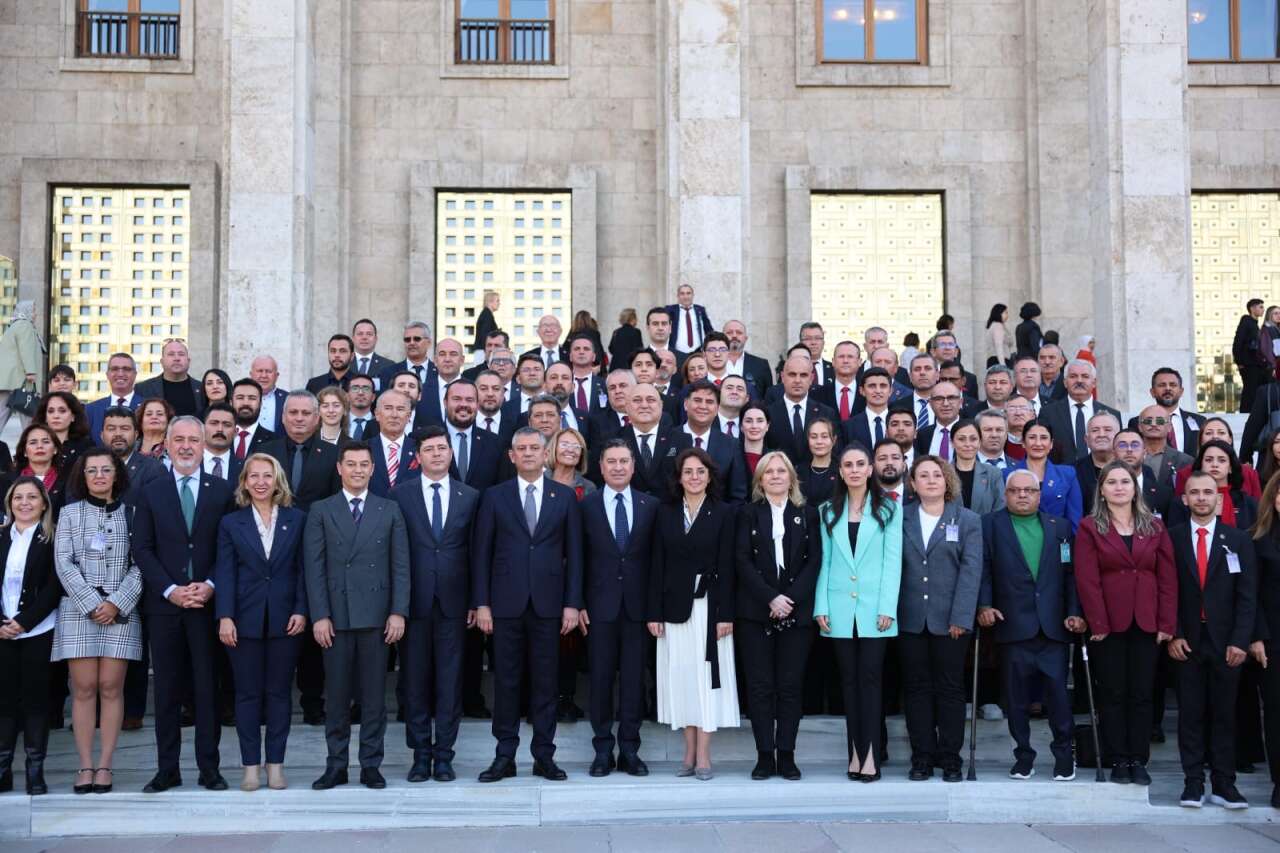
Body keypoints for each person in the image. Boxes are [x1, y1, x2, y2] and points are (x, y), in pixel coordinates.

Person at [472, 427, 583, 783]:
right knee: (506, 683)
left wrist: (572, 604)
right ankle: (504, 756)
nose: (529, 453)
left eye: (535, 447)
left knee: (546, 683)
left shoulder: (563, 496)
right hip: (505, 605)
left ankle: (544, 756)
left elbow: (575, 555)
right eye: (522, 448)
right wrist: (482, 604)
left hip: (549, 605)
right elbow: (481, 553)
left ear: (545, 453)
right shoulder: (494, 496)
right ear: (512, 456)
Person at [133, 416, 237, 794]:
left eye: (194, 439)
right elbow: (142, 548)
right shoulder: (151, 490)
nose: (187, 446)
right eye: (179, 439)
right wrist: (169, 590)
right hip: (165, 608)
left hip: (207, 607)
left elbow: (229, 548)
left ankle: (209, 768)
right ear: (167, 444)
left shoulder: (222, 490)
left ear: (204, 444)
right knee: (167, 691)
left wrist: (209, 585)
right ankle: (168, 769)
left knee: (207, 689)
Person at [304, 441, 410, 790]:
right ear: (339, 468)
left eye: (364, 464)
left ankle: (370, 765)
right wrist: (320, 615)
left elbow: (401, 566)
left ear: (373, 468)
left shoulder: (389, 509)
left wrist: (398, 612)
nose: (358, 470)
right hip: (335, 617)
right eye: (351, 464)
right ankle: (336, 765)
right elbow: (314, 568)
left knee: (374, 698)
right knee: (336, 697)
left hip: (377, 617)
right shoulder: (321, 510)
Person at [978, 468, 1086, 782]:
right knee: (1016, 700)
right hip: (1012, 624)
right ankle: (1023, 757)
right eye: (1015, 491)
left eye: (1029, 490)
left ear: (1039, 495)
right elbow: (984, 569)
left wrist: (1075, 611)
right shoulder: (990, 525)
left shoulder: (1059, 527)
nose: (1022, 495)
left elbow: (1070, 574)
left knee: (1059, 697)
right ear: (1006, 494)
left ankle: (1064, 757)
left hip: (1054, 627)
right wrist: (984, 605)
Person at [1073, 461, 1177, 785]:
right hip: (1108, 625)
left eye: (1125, 482)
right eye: (1112, 482)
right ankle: (1118, 758)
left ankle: (1138, 759)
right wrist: (1098, 623)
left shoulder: (1154, 526)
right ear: (1102, 491)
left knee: (1143, 695)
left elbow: (1167, 578)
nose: (1119, 487)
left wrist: (1166, 623)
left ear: (1135, 488)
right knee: (1113, 694)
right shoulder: (1090, 527)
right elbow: (1087, 579)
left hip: (1147, 622)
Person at [389, 425, 479, 784]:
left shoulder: (470, 496)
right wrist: (396, 605)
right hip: (414, 603)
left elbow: (476, 552)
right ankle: (420, 755)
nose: (437, 454)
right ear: (418, 457)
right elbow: (395, 552)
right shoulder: (400, 495)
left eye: (442, 448)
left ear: (450, 453)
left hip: (455, 604)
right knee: (414, 682)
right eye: (429, 449)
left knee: (449, 682)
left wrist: (477, 601)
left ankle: (444, 756)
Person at [53, 450, 145, 795]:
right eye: (92, 470)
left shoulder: (133, 514)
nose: (99, 475)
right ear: (83, 476)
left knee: (110, 686)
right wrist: (92, 604)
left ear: (117, 475)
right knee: (84, 688)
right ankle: (84, 764)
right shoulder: (69, 513)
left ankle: (105, 764)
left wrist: (116, 602)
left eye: (106, 469)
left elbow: (141, 562)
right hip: (79, 610)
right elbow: (64, 563)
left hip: (120, 610)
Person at [214, 454, 307, 792]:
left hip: (286, 620)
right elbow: (225, 572)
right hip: (243, 620)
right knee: (248, 695)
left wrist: (301, 609)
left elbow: (303, 569)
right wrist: (225, 616)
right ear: (244, 482)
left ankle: (276, 765)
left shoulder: (297, 519)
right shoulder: (231, 523)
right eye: (253, 476)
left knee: (279, 694)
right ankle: (251, 766)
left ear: (277, 480)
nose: (261, 482)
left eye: (267, 475)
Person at [648, 446, 738, 780]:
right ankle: (687, 752)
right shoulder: (665, 512)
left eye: (701, 471)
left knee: (706, 680)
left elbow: (728, 566)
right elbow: (656, 564)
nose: (695, 477)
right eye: (688, 471)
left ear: (710, 476)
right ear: (679, 477)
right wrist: (653, 612)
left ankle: (704, 755)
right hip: (673, 607)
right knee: (682, 679)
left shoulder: (724, 512)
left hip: (711, 608)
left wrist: (726, 614)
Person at [1169, 470, 1257, 810]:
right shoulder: (1172, 538)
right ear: (1185, 499)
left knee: (1225, 714)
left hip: (1227, 644)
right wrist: (1175, 633)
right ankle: (1192, 783)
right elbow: (1167, 590)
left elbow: (1247, 596)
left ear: (1219, 500)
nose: (1202, 498)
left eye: (1208, 492)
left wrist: (1240, 640)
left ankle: (1224, 784)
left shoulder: (1238, 540)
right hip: (1187, 642)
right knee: (1190, 715)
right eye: (1195, 492)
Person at [814, 442, 901, 782]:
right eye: (848, 465)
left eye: (860, 464)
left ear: (870, 469)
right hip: (838, 609)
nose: (854, 470)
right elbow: (825, 561)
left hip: (875, 610)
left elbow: (892, 563)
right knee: (848, 683)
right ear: (840, 471)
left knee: (871, 681)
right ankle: (854, 753)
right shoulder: (827, 511)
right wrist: (821, 605)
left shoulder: (889, 509)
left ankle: (872, 757)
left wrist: (887, 607)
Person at [735, 451, 820, 781]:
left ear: (791, 478)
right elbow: (742, 560)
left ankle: (786, 755)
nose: (775, 476)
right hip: (756, 611)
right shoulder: (747, 514)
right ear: (760, 479)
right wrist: (770, 597)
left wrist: (790, 599)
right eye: (768, 472)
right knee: (760, 687)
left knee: (789, 686)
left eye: (781, 471)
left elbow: (814, 561)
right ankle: (763, 756)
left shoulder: (807, 514)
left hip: (796, 613)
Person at [898, 456, 982, 782]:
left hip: (951, 621)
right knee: (916, 689)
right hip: (910, 618)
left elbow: (971, 571)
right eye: (923, 475)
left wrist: (961, 616)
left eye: (937, 474)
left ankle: (950, 759)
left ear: (948, 481)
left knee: (950, 689)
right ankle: (921, 757)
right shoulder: (900, 518)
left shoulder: (967, 520)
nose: (931, 480)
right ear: (913, 483)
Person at [580, 439, 658, 777]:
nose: (617, 467)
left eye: (624, 461)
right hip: (599, 608)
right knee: (599, 680)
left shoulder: (650, 506)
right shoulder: (586, 505)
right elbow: (577, 557)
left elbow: (657, 562)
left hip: (638, 609)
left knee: (633, 681)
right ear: (600, 467)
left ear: (633, 465)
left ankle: (629, 749)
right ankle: (602, 750)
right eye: (611, 461)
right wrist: (578, 603)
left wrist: (655, 608)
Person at [0, 478, 58, 795]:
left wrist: (23, 622)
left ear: (43, 503)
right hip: (1, 633)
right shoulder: (0, 536)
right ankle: (2, 768)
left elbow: (53, 587)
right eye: (18, 497)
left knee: (36, 701)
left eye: (32, 497)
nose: (24, 503)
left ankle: (35, 770)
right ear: (9, 503)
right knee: (4, 700)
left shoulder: (53, 538)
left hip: (39, 630)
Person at [1247, 472, 1280, 808]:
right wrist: (1256, 636)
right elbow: (1250, 594)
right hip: (1272, 639)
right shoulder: (1257, 539)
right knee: (1275, 711)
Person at [1005, 420, 1083, 533]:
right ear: (1023, 442)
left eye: (1043, 438)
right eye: (1032, 437)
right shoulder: (1007, 474)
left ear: (1051, 444)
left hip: (1057, 538)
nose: (1038, 443)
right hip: (1019, 537)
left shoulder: (1067, 474)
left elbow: (1074, 519)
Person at [1038, 360, 1121, 461]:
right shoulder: (1048, 413)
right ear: (1065, 382)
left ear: (1094, 382)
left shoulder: (1112, 415)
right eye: (1073, 376)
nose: (1079, 381)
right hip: (1061, 469)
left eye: (1085, 376)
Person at [1168, 440, 1258, 532]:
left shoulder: (1248, 504)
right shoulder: (1182, 503)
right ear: (1201, 465)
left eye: (1222, 460)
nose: (1215, 465)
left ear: (1230, 467)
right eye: (1208, 460)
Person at [768, 353, 837, 466]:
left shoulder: (827, 413)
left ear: (811, 379)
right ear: (783, 377)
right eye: (792, 374)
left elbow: (834, 451)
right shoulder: (768, 413)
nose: (797, 380)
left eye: (803, 375)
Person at [0, 300, 42, 436]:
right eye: (33, 311)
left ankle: (31, 441)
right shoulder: (25, 325)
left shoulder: (14, 326)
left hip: (9, 381)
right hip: (20, 380)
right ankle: (32, 442)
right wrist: (31, 371)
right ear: (27, 311)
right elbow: (26, 349)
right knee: (29, 416)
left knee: (2, 414)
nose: (35, 314)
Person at [134, 339, 205, 417]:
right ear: (162, 361)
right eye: (171, 354)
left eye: (181, 354)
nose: (176, 358)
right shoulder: (143, 389)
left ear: (188, 361)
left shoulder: (202, 388)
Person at [9, 424, 66, 517]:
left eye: (46, 442)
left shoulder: (68, 480)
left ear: (55, 449)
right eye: (33, 442)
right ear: (25, 451)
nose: (39, 446)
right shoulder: (8, 480)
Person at [950, 419, 1004, 514]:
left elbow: (1000, 509)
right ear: (952, 443)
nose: (967, 444)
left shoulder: (993, 474)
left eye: (973, 439)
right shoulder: (942, 473)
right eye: (961, 439)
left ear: (979, 443)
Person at [35, 391, 93, 477]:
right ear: (45, 417)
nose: (56, 416)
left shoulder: (86, 446)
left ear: (73, 416)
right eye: (51, 411)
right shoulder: (34, 445)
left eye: (62, 411)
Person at [1074, 411, 1122, 515]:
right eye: (1095, 430)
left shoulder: (1132, 469)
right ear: (1086, 439)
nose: (1101, 435)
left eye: (1107, 430)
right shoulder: (1072, 472)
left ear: (1119, 437)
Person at [86, 353, 142, 439]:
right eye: (115, 369)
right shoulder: (90, 410)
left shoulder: (146, 408)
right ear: (107, 374)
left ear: (135, 374)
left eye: (126, 369)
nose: (120, 374)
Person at [378, 320, 437, 391]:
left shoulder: (439, 371)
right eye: (407, 339)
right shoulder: (389, 372)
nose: (411, 343)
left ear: (429, 343)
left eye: (417, 339)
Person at [723, 320, 775, 398]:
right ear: (722, 338)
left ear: (745, 338)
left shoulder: (761, 365)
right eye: (729, 332)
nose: (734, 336)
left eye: (739, 333)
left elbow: (768, 397)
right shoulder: (712, 362)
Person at [1234, 298, 1267, 413]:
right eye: (1260, 307)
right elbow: (1238, 342)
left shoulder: (1254, 324)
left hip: (1255, 363)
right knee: (1250, 389)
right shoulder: (1246, 321)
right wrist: (1239, 362)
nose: (1263, 310)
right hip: (1248, 363)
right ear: (1252, 308)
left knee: (1255, 389)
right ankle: (1245, 413)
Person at [797, 417, 839, 505]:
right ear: (808, 439)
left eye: (824, 436)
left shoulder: (842, 471)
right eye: (814, 437)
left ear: (834, 440)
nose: (819, 442)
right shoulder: (798, 472)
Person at [547, 427, 594, 500]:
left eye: (576, 446)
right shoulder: (539, 480)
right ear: (554, 448)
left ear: (581, 453)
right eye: (564, 445)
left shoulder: (588, 487)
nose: (571, 450)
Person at [666, 284, 714, 354]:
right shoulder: (670, 310)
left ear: (693, 295)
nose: (685, 296)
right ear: (678, 296)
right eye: (682, 294)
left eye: (688, 293)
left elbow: (709, 330)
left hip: (698, 353)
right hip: (677, 352)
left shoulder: (700, 310)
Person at [250, 355, 289, 433]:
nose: (264, 376)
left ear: (276, 376)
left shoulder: (288, 398)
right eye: (260, 371)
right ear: (251, 374)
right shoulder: (239, 398)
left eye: (269, 371)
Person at [351, 318, 397, 386]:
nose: (364, 337)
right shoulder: (344, 364)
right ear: (353, 338)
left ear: (375, 339)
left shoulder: (389, 366)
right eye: (360, 334)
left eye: (369, 334)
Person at [739, 402, 769, 478]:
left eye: (760, 421)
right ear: (741, 426)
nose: (754, 426)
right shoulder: (730, 457)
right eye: (748, 421)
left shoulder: (774, 459)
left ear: (767, 426)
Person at [471, 291, 501, 356]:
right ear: (490, 302)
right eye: (497, 301)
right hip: (483, 352)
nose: (499, 303)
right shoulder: (487, 315)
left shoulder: (487, 314)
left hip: (482, 351)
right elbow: (485, 335)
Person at [1264, 306, 1280, 382]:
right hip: (1274, 366)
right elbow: (1277, 351)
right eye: (1275, 313)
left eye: (1279, 313)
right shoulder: (1271, 329)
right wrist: (1274, 368)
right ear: (1269, 315)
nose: (1279, 315)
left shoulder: (1270, 328)